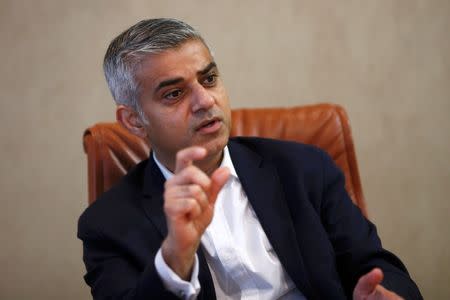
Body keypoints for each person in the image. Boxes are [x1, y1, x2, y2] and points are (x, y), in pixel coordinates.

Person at [78, 18, 422, 300]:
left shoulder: (303, 169)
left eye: (209, 79)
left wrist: (389, 295)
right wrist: (175, 257)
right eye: (174, 93)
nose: (204, 101)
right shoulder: (107, 224)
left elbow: (374, 264)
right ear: (134, 120)